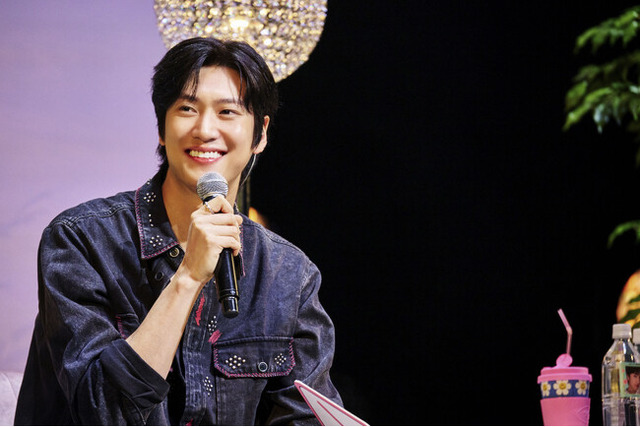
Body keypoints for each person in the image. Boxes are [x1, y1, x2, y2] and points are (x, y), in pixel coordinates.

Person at [14, 37, 342, 425]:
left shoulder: (289, 274)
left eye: (227, 112)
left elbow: (305, 417)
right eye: (187, 109)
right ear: (161, 127)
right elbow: (102, 410)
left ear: (261, 134)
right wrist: (188, 278)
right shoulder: (80, 241)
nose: (204, 129)